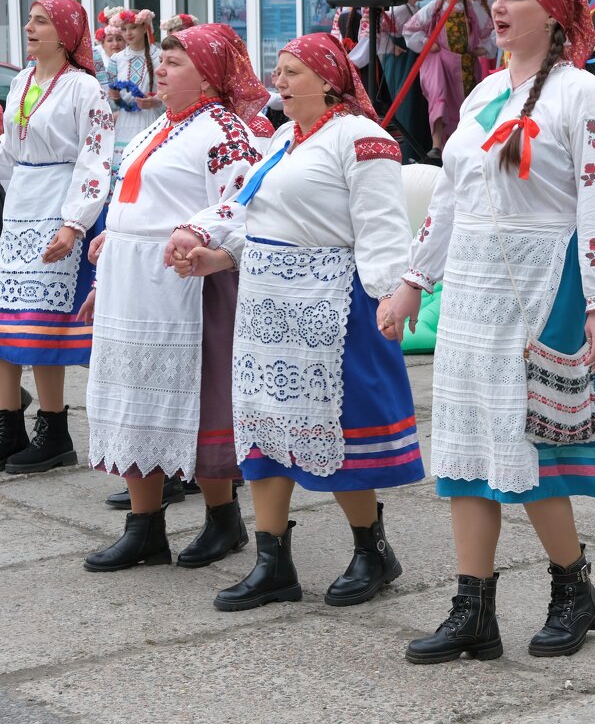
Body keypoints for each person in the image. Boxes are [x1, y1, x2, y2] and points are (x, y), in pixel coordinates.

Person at [390, 0, 595, 664]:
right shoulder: (484, 94)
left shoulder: (581, 93)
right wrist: (415, 279)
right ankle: (474, 608)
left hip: (540, 283)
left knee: (529, 446)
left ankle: (572, 587)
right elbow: (451, 197)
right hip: (471, 289)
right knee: (467, 444)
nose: (499, 8)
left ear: (554, 13)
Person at [170, 32, 424, 611]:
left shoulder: (363, 140)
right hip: (267, 305)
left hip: (329, 305)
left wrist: (391, 294)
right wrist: (218, 253)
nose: (277, 82)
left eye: (291, 73)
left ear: (330, 82)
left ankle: (371, 550)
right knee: (262, 428)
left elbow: (382, 226)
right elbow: (257, 212)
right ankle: (272, 562)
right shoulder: (285, 138)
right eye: (277, 71)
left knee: (337, 437)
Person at [82, 23, 267, 571]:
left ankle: (223, 520)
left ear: (209, 75)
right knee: (136, 395)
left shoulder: (225, 131)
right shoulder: (156, 127)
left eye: (176, 61)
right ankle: (145, 528)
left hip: (190, 284)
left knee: (200, 400)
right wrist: (106, 269)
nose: (160, 68)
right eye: (160, 60)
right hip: (132, 284)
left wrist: (200, 240)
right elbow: (133, 204)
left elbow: (244, 207)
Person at [0, 0, 113, 474]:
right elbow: (9, 149)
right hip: (22, 203)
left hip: (60, 202)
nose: (28, 27)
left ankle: (54, 429)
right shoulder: (22, 80)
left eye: (40, 21)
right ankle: (9, 427)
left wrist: (74, 222)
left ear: (65, 33)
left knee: (42, 319)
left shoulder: (84, 88)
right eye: (29, 19)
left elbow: (95, 157)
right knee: (8, 319)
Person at [403, 0, 494, 162]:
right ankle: (437, 146)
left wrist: (483, 48)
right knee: (439, 101)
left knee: (467, 104)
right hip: (440, 65)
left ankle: (464, 145)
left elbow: (489, 31)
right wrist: (427, 43)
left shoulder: (473, 10)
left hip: (466, 65)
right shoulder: (433, 8)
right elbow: (409, 30)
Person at [385, 0, 433, 161]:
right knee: (405, 106)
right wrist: (391, 47)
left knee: (413, 106)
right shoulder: (400, 11)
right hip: (402, 63)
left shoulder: (410, 9)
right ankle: (406, 153)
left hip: (409, 61)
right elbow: (381, 30)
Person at [110, 9, 163, 182]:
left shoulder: (160, 56)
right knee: (124, 172)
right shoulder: (116, 59)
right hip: (125, 123)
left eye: (132, 27)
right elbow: (108, 100)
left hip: (153, 120)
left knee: (150, 172)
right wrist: (115, 98)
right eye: (124, 29)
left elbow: (172, 93)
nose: (128, 33)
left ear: (145, 27)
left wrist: (156, 101)